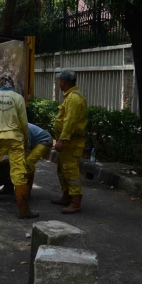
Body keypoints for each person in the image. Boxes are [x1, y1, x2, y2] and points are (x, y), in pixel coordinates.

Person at [0, 73, 38, 219]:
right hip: (14, 139)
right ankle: (24, 211)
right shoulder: (18, 98)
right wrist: (26, 141)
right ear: (12, 85)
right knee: (19, 174)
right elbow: (24, 122)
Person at [51, 69, 87, 214]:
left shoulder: (73, 99)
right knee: (62, 169)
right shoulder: (71, 96)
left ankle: (76, 202)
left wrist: (62, 140)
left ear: (63, 82)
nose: (59, 83)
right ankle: (66, 196)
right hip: (67, 142)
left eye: (60, 80)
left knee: (71, 171)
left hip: (71, 143)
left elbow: (69, 122)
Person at [25, 122, 53, 194]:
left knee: (28, 162)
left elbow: (27, 147)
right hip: (33, 142)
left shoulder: (24, 128)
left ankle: (26, 191)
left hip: (44, 140)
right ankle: (9, 188)